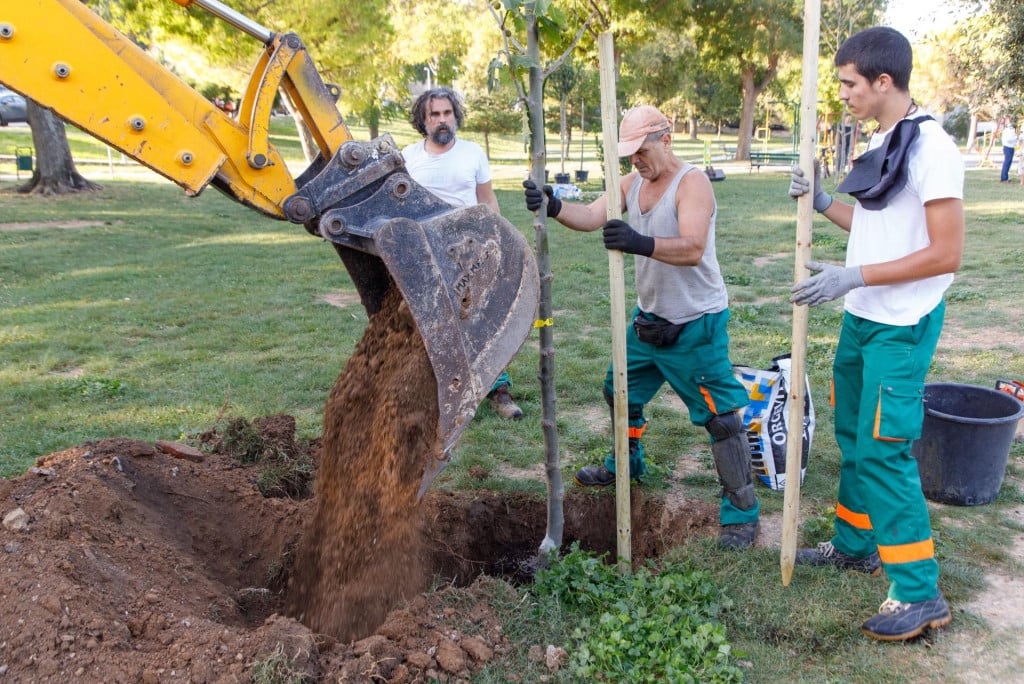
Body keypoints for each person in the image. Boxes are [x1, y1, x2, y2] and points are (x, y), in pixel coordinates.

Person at [787, 26, 964, 641]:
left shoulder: (932, 148)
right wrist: (820, 202)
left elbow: (946, 253)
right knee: (854, 438)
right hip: (863, 318)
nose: (842, 95)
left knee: (885, 451)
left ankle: (920, 593)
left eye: (849, 84)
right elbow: (870, 226)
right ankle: (855, 543)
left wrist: (852, 275)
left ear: (883, 82)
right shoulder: (888, 139)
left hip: (902, 326)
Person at [523, 104, 760, 550]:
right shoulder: (633, 183)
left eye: (642, 151)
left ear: (666, 140)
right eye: (629, 154)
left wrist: (639, 242)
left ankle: (742, 513)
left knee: (722, 420)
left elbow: (692, 247)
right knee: (619, 391)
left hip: (696, 325)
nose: (635, 161)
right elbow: (593, 217)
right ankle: (626, 465)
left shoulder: (693, 184)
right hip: (648, 324)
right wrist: (552, 205)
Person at [402, 86, 523, 420]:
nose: (442, 120)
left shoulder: (472, 153)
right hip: (425, 253)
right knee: (429, 325)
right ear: (422, 121)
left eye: (447, 113)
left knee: (482, 321)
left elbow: (487, 201)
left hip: (469, 254)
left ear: (455, 116)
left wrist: (498, 240)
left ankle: (499, 392)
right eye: (434, 115)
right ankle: (435, 396)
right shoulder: (409, 157)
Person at [1000, 116, 1018, 183]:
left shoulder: (1009, 129)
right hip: (1008, 147)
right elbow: (1009, 139)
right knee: (1007, 163)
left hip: (1009, 147)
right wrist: (1016, 137)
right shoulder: (1009, 130)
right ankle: (1004, 178)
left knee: (1008, 163)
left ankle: (1005, 177)